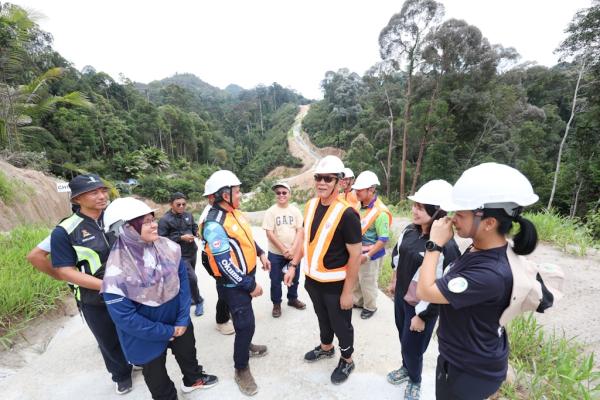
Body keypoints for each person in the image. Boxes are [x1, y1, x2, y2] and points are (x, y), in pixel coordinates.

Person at [416, 163, 540, 400]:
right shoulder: (481, 247)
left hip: (469, 371)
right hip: (462, 356)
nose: (453, 219)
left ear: (489, 223)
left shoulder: (491, 274)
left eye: (460, 214)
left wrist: (435, 244)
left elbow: (425, 291)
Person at [101, 197, 218, 400]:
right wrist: (166, 331)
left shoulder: (168, 248)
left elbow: (183, 284)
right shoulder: (115, 273)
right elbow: (125, 319)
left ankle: (193, 379)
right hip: (145, 335)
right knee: (156, 377)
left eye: (152, 219)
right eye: (145, 222)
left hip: (178, 321)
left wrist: (182, 319)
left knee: (188, 353)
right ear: (125, 229)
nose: (154, 224)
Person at [49, 174, 133, 394]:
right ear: (76, 199)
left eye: (103, 190)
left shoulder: (117, 218)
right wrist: (106, 285)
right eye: (93, 192)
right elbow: (65, 271)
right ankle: (121, 375)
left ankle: (137, 358)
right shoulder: (64, 230)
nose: (102, 196)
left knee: (132, 329)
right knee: (107, 338)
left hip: (130, 291)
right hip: (94, 298)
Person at [284, 155, 362, 385]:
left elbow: (355, 256)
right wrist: (293, 265)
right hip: (313, 280)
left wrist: (348, 292)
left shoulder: (347, 214)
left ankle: (347, 359)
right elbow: (306, 240)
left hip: (336, 285)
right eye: (319, 177)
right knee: (322, 318)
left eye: (328, 179)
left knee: (341, 324)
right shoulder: (310, 206)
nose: (322, 182)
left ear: (339, 182)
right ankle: (326, 347)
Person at [386, 180, 461, 400]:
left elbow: (443, 287)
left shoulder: (446, 246)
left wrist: (423, 316)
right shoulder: (410, 231)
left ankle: (415, 380)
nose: (414, 210)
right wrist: (393, 281)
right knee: (403, 338)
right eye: (414, 205)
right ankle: (406, 366)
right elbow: (398, 256)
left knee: (414, 347)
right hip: (401, 298)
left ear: (437, 211)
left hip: (421, 307)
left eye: (420, 207)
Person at [202, 170, 270, 396]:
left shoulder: (234, 213)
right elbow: (225, 265)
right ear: (225, 195)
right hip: (234, 285)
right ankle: (241, 369)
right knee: (246, 324)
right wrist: (250, 285)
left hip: (244, 277)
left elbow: (246, 239)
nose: (240, 194)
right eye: (237, 191)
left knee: (243, 323)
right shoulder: (214, 224)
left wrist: (260, 253)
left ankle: (245, 344)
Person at [351, 171, 392, 319]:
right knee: (357, 279)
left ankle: (370, 307)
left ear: (371, 189)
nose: (356, 192)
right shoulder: (359, 205)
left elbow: (383, 239)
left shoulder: (380, 212)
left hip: (371, 255)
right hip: (358, 251)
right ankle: (358, 301)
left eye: (360, 189)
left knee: (368, 282)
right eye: (356, 189)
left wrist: (368, 255)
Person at [261, 181, 305, 318]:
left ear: (289, 194)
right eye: (278, 193)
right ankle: (276, 304)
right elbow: (269, 233)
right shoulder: (271, 212)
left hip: (293, 252)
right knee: (275, 281)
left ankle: (292, 299)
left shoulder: (295, 211)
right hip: (275, 254)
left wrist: (293, 249)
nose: (281, 195)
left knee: (294, 278)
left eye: (284, 192)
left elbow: (300, 231)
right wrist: (284, 249)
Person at [158, 192, 204, 317]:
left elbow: (194, 226)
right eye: (178, 204)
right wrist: (181, 238)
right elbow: (162, 239)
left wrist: (197, 232)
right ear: (171, 204)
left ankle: (192, 298)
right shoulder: (164, 220)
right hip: (179, 255)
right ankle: (199, 301)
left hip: (192, 251)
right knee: (192, 278)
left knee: (189, 279)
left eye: (184, 204)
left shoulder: (188, 215)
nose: (182, 207)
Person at [199, 176, 235, 335]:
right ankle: (221, 320)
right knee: (224, 287)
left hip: (221, 254)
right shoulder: (211, 216)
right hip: (212, 257)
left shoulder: (224, 211)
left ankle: (231, 312)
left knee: (230, 287)